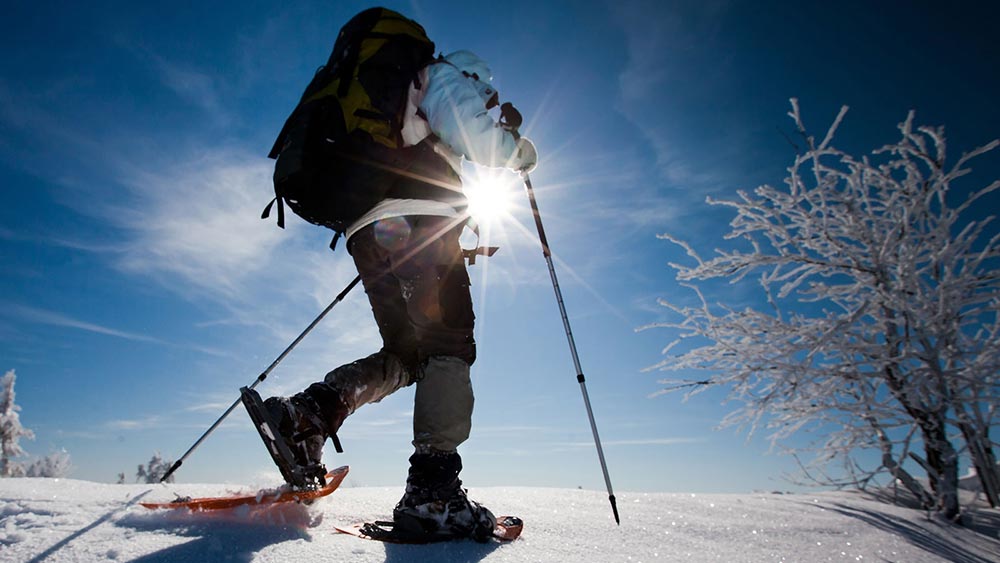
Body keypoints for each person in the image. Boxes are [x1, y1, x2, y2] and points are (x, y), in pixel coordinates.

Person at [264, 46, 537, 542]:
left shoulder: (393, 97)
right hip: (418, 222)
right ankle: (433, 493)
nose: (488, 100)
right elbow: (477, 137)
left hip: (366, 232)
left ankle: (310, 413)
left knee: (408, 354)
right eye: (487, 92)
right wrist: (517, 149)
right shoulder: (444, 74)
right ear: (477, 76)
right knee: (448, 346)